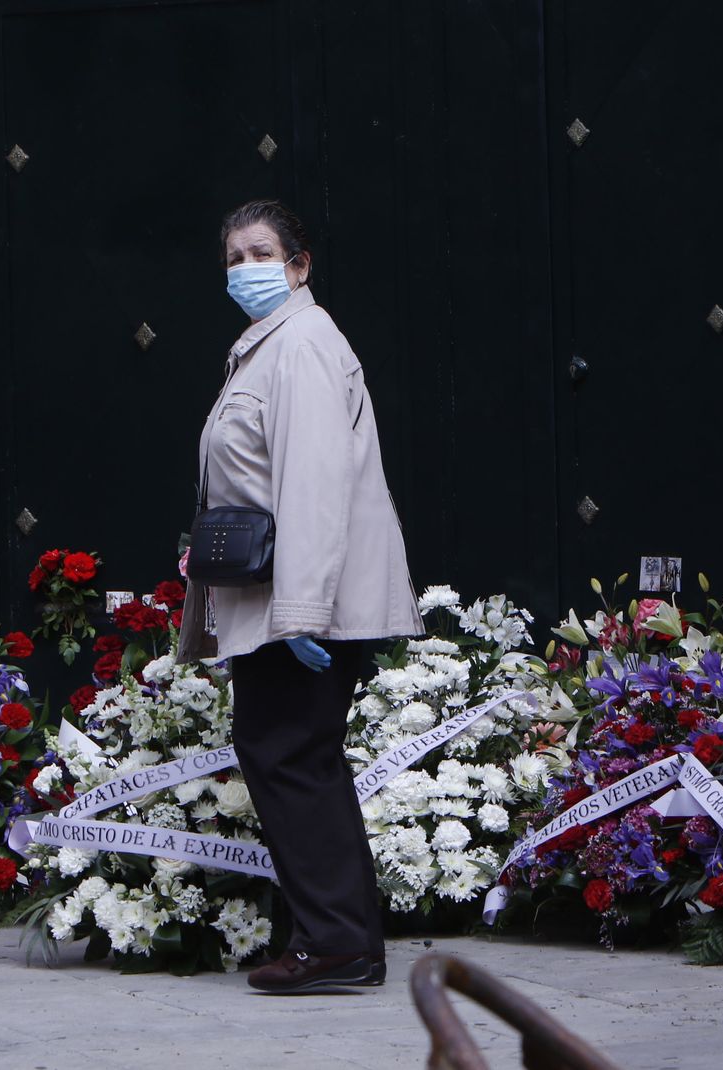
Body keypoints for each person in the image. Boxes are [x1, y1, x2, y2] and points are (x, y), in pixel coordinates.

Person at [176, 199, 422, 993]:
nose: (245, 269)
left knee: (287, 757)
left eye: (261, 253)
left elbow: (315, 488)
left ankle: (337, 944)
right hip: (283, 600)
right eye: (233, 257)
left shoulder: (303, 345)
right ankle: (336, 937)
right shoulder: (268, 347)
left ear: (299, 264)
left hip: (301, 607)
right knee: (299, 758)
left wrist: (303, 614)